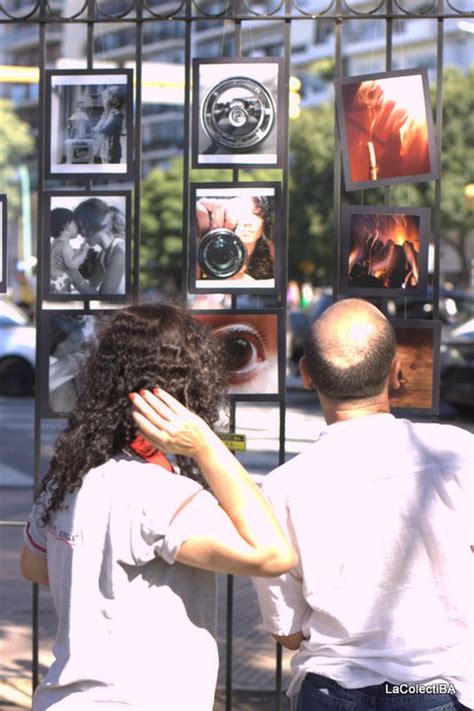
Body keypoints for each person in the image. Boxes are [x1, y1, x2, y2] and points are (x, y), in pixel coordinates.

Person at [20, 303, 296, 711]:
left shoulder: (72, 476)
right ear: (189, 389)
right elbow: (273, 554)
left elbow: (35, 565)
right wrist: (206, 445)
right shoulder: (156, 493)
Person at [253, 298, 473, 711]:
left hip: (330, 689)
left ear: (306, 375)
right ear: (396, 371)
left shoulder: (282, 488)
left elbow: (288, 633)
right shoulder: (459, 455)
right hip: (431, 690)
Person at [54, 198, 126, 296]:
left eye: (80, 227)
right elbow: (91, 287)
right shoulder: (104, 254)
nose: (80, 234)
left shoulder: (120, 251)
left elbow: (105, 297)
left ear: (92, 225)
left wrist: (71, 272)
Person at [196, 195, 275, 283]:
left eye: (256, 214)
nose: (247, 223)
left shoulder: (272, 253)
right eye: (241, 214)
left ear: (265, 220)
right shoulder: (208, 253)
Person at [49, 208, 89, 294]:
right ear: (67, 225)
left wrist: (76, 252)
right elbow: (72, 264)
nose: (78, 226)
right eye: (75, 223)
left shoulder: (55, 243)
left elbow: (66, 257)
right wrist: (84, 252)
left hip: (53, 281)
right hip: (59, 284)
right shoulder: (65, 246)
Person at [91, 86, 125, 164]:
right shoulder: (107, 114)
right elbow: (97, 127)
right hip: (104, 150)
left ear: (114, 101)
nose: (103, 101)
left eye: (105, 98)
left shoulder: (116, 115)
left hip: (112, 151)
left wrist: (95, 129)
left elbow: (103, 130)